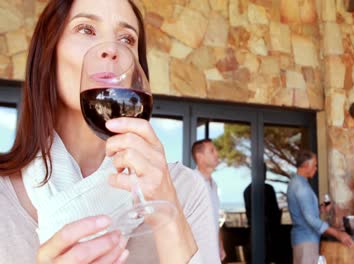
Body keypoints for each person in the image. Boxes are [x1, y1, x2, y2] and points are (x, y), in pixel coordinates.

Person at [0, 0, 219, 263]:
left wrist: (166, 213)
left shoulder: (184, 189)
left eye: (127, 38)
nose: (112, 49)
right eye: (86, 29)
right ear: (50, 51)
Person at [287, 150, 353, 264]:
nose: (316, 168)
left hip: (303, 241)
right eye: (315, 165)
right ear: (306, 165)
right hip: (306, 242)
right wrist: (338, 234)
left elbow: (305, 213)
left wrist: (320, 210)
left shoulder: (296, 182)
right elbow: (311, 219)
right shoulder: (301, 186)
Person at [191, 139, 226, 261]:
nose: (217, 154)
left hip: (213, 251)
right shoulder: (191, 183)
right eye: (212, 151)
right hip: (196, 254)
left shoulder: (214, 185)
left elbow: (215, 218)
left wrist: (220, 246)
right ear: (199, 156)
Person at [243, 163, 281, 263]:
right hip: (267, 235)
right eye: (264, 172)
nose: (265, 174)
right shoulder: (268, 189)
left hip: (255, 235)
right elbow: (275, 213)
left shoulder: (247, 190)